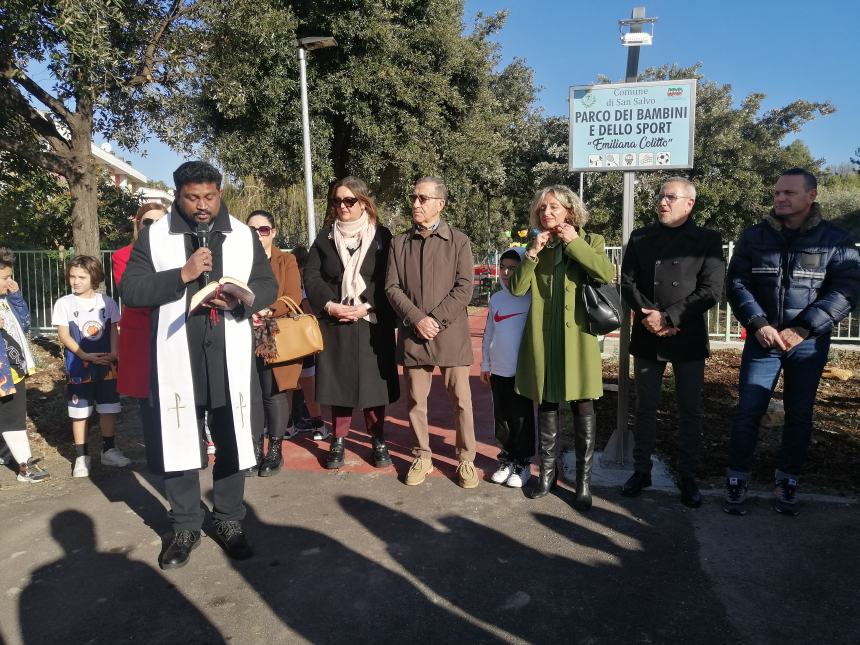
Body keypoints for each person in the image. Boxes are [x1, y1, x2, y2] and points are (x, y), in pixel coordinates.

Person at [120, 161, 278, 569]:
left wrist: (243, 299)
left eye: (209, 196)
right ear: (178, 195)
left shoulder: (242, 234)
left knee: (232, 436)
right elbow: (132, 289)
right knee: (180, 442)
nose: (202, 205)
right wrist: (182, 274)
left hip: (228, 353)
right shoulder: (154, 238)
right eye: (193, 198)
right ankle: (185, 525)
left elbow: (267, 285)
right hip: (177, 355)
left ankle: (228, 520)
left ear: (219, 192)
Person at [723, 168, 860, 516]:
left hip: (808, 343)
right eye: (777, 193)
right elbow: (737, 283)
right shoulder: (755, 237)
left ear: (811, 196)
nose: (780, 198)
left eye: (789, 193)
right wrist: (758, 324)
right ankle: (737, 478)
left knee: (799, 414)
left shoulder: (835, 240)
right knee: (749, 410)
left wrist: (804, 329)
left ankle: (788, 480)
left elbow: (846, 290)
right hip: (763, 339)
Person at [619, 177, 725, 508]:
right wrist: (648, 315)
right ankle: (641, 470)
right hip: (648, 335)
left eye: (670, 197)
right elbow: (626, 281)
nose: (662, 202)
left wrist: (671, 317)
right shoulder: (640, 237)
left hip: (686, 335)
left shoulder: (707, 240)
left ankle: (689, 475)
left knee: (690, 409)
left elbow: (711, 290)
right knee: (645, 407)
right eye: (660, 196)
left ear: (689, 203)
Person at [509, 185, 615, 510]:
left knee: (583, 405)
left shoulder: (590, 240)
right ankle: (547, 476)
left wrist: (574, 242)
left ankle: (583, 481)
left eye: (554, 207)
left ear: (569, 210)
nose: (547, 214)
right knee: (547, 404)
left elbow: (606, 273)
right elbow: (516, 290)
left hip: (578, 339)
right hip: (544, 339)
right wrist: (530, 254)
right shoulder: (535, 245)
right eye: (542, 209)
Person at [384, 177, 478, 488]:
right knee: (415, 401)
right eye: (414, 197)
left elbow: (465, 287)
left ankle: (466, 459)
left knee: (461, 401)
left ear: (441, 203)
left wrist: (434, 319)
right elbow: (391, 288)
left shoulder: (459, 241)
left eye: (423, 198)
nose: (416, 203)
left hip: (450, 334)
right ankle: (421, 456)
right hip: (414, 335)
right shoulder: (399, 243)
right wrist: (416, 319)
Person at [304, 177, 399, 469]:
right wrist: (331, 306)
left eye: (349, 201)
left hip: (371, 321)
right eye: (337, 201)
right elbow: (313, 277)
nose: (342, 206)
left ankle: (378, 439)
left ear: (363, 202)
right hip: (336, 322)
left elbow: (388, 278)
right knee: (339, 385)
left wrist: (365, 305)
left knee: (373, 387)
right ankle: (338, 440)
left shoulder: (382, 236)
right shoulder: (324, 238)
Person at [52, 255, 130, 477]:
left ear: (94, 277)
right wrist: (84, 354)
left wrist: (115, 354)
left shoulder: (107, 302)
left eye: (81, 277)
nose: (75, 281)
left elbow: (114, 330)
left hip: (107, 364)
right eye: (72, 276)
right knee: (80, 412)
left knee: (108, 408)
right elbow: (64, 335)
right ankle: (81, 456)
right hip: (79, 365)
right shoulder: (64, 303)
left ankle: (109, 450)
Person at [247, 209, 303, 476]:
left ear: (273, 232)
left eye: (264, 230)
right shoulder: (238, 260)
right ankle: (255, 449)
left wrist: (268, 310)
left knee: (272, 390)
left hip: (269, 329)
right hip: (242, 329)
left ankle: (275, 451)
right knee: (251, 392)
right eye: (252, 230)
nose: (258, 235)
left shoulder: (286, 260)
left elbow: (293, 295)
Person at [480, 247, 533, 488]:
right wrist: (485, 363)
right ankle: (506, 460)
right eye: (503, 267)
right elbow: (489, 331)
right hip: (498, 369)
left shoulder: (531, 297)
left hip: (521, 372)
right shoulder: (496, 299)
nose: (506, 272)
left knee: (521, 419)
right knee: (501, 418)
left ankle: (523, 464)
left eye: (513, 268)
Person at [0, 248, 50, 483]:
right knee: (11, 417)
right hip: (4, 372)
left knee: (13, 415)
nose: (10, 281)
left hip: (11, 371)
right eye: (5, 278)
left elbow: (24, 324)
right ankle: (23, 467)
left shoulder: (5, 300)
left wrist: (16, 296)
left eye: (10, 276)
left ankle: (22, 463)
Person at [114, 203, 167, 401]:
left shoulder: (179, 254)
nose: (154, 226)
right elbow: (134, 295)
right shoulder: (122, 256)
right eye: (148, 221)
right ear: (138, 224)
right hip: (141, 334)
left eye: (160, 222)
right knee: (148, 403)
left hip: (171, 330)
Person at [289, 244, 327, 440]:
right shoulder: (303, 278)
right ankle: (318, 423)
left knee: (289, 381)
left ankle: (288, 424)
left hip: (286, 333)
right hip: (302, 335)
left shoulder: (286, 274)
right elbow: (305, 304)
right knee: (307, 379)